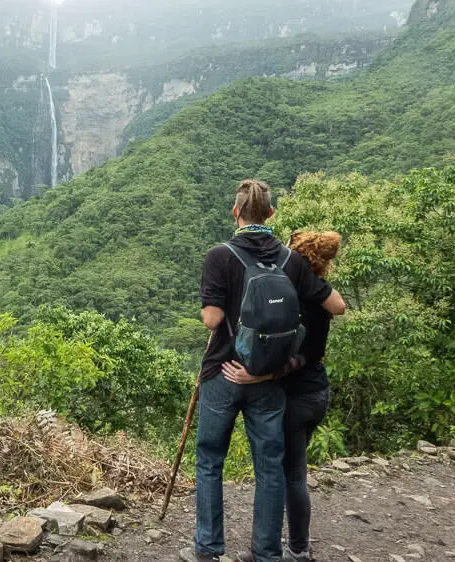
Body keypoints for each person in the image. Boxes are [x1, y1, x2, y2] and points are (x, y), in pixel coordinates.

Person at [183, 180, 345, 562]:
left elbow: (212, 319)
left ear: (235, 212)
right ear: (271, 214)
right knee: (270, 467)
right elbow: (336, 306)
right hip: (268, 378)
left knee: (209, 461)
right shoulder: (291, 260)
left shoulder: (219, 255)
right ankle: (268, 553)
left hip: (223, 372)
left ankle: (208, 549)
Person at [223, 231, 345, 562]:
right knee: (295, 471)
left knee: (287, 474)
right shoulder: (319, 297)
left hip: (295, 396)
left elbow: (296, 358)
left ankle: (288, 550)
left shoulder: (291, 298)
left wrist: (261, 374)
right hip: (318, 392)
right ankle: (290, 546)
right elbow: (317, 345)